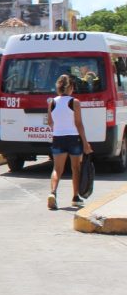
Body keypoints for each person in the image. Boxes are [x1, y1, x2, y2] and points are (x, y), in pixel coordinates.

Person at [45, 74, 92, 209]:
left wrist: (58, 129)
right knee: (75, 168)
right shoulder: (74, 102)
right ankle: (75, 197)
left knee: (57, 169)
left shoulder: (52, 102)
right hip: (73, 138)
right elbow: (79, 124)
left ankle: (53, 193)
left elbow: (49, 122)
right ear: (70, 87)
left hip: (58, 138)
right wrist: (85, 143)